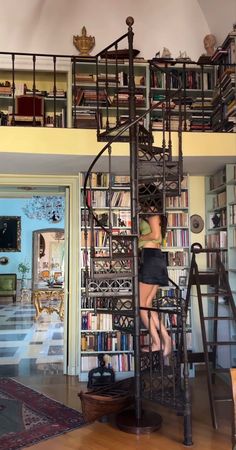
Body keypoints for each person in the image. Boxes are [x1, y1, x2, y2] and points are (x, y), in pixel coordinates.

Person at [138, 184, 171, 355]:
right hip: (157, 258)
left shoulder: (151, 211)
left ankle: (157, 341)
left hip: (150, 258)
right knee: (147, 305)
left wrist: (138, 237)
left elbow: (155, 235)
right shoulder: (159, 214)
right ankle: (165, 338)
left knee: (141, 305)